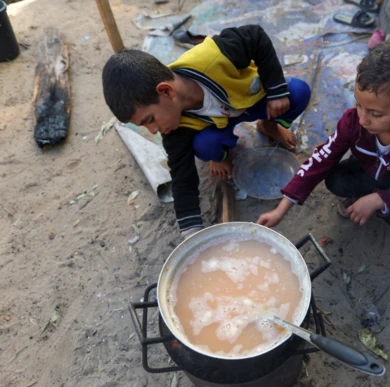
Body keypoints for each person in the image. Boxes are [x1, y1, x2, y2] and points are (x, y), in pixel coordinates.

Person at [102, 25, 311, 238]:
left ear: (166, 91)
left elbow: (255, 36)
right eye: (145, 126)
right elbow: (182, 177)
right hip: (218, 124)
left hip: (248, 99)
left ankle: (268, 126)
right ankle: (220, 156)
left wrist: (276, 91)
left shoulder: (215, 56)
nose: (154, 130)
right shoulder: (173, 130)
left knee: (297, 93)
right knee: (205, 146)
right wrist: (191, 232)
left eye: (150, 120)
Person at [257, 38, 390, 248]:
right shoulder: (353, 120)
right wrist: (281, 208)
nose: (363, 119)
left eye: (376, 114)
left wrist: (380, 199)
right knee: (336, 179)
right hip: (369, 171)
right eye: (359, 104)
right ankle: (365, 196)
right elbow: (323, 158)